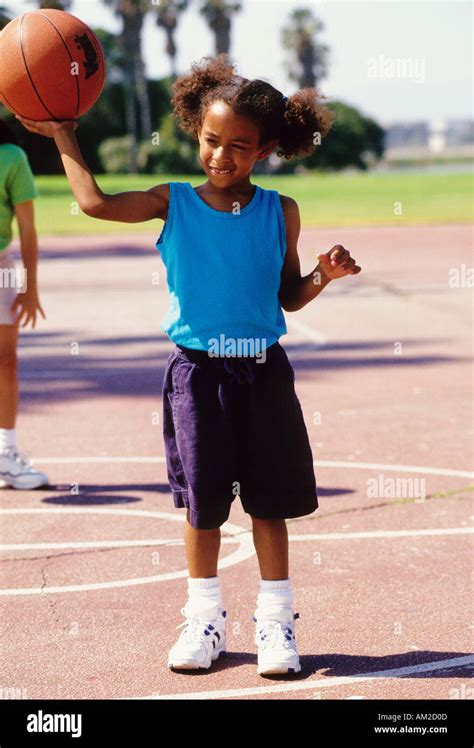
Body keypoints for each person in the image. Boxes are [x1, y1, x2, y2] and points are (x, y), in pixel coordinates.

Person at [16, 53, 361, 676]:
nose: (222, 155)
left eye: (240, 145)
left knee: (269, 505)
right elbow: (92, 204)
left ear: (267, 149)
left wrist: (323, 277)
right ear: (194, 132)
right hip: (197, 375)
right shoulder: (169, 201)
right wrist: (66, 133)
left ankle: (276, 625)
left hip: (262, 372)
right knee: (203, 506)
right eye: (211, 140)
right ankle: (204, 618)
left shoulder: (280, 211)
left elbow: (285, 296)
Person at [0, 118, 48, 489]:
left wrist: (30, 286)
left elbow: (28, 228)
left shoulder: (11, 157)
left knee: (5, 361)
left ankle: (5, 455)